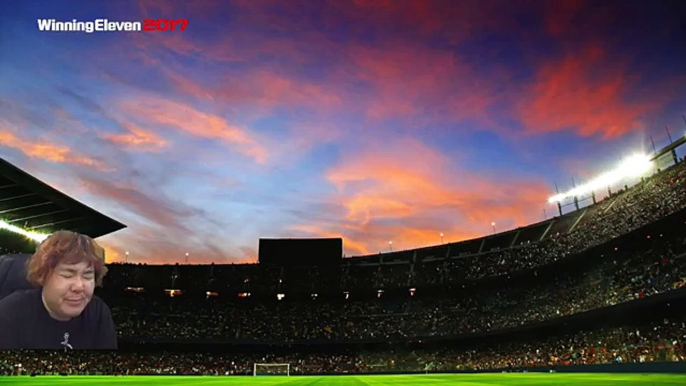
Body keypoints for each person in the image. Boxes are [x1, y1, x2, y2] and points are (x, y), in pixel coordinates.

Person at [0, 230, 117, 350]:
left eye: (87, 276)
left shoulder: (99, 313)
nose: (79, 286)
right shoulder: (9, 314)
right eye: (67, 275)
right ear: (43, 275)